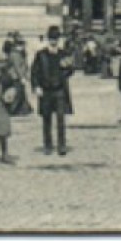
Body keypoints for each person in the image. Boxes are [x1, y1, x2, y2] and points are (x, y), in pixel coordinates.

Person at [30, 26, 75, 156]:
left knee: (61, 119)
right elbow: (34, 72)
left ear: (59, 40)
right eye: (51, 39)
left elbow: (71, 70)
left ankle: (61, 145)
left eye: (55, 39)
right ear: (48, 39)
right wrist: (36, 87)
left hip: (59, 90)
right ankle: (48, 145)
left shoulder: (63, 54)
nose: (53, 42)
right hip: (45, 91)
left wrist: (66, 68)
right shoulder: (41, 55)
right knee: (46, 119)